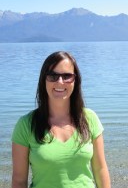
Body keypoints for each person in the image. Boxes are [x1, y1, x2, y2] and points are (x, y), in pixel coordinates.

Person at [11, 51, 111, 188]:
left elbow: (100, 170)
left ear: (75, 80)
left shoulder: (90, 119)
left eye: (67, 76)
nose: (60, 82)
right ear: (43, 80)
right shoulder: (26, 125)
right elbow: (19, 180)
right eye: (53, 76)